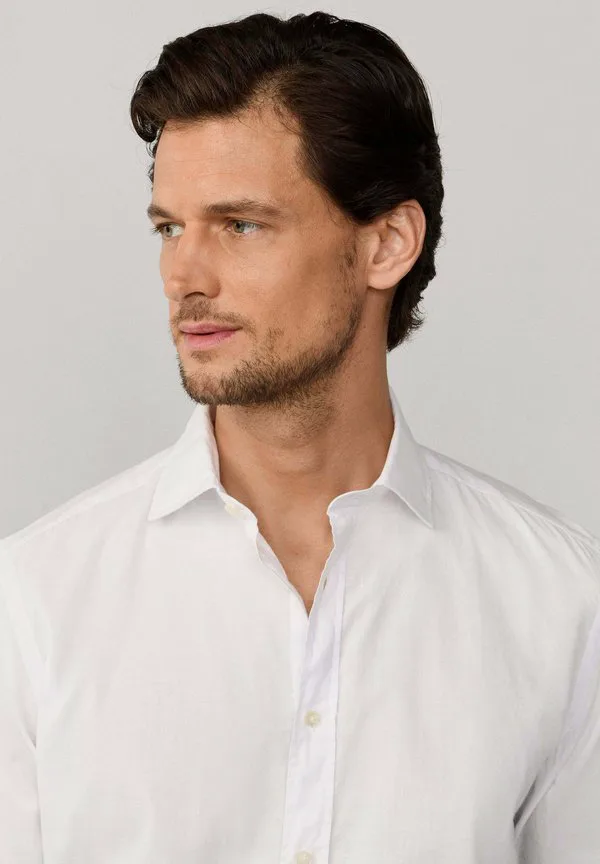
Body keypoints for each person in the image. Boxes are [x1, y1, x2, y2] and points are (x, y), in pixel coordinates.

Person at [1, 10, 599, 864]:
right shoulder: (34, 603)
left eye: (240, 225)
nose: (183, 276)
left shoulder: (562, 605)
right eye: (169, 228)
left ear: (387, 244)